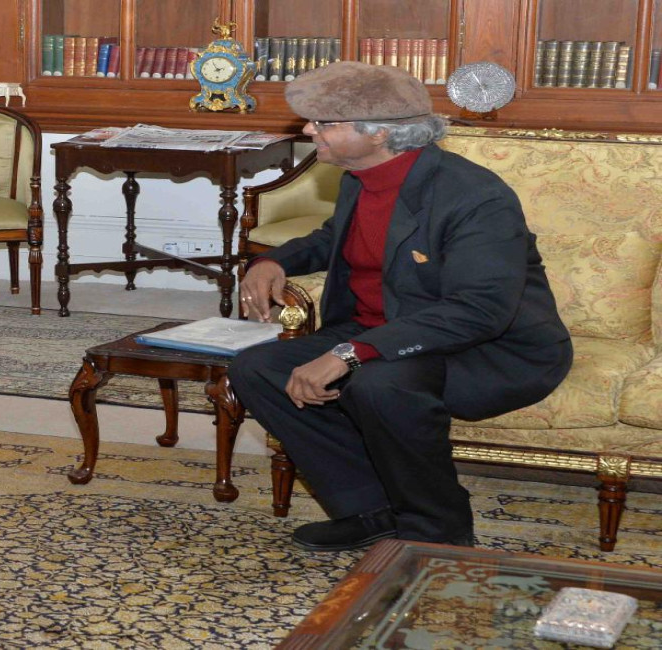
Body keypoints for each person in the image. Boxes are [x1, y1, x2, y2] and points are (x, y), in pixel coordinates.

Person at [228, 62, 572, 552]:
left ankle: (439, 532)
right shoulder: (359, 177)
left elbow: (479, 310)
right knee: (257, 367)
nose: (308, 130)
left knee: (380, 384)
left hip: (484, 348)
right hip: (384, 332)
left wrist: (350, 353)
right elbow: (335, 237)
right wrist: (272, 262)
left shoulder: (476, 197)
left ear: (381, 133)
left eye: (324, 123)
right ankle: (371, 510)